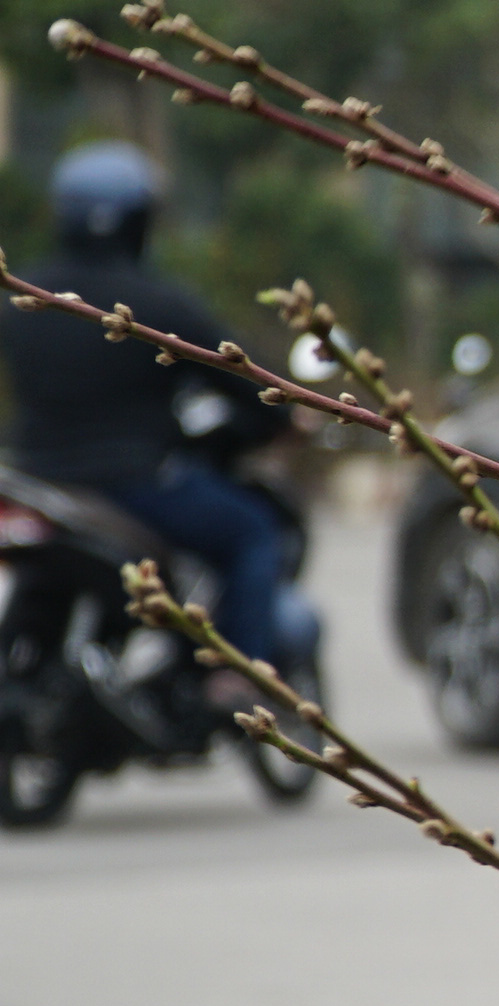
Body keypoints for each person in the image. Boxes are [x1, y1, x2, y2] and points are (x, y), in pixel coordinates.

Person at [1, 140, 297, 675]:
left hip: (34, 477)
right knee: (254, 532)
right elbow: (246, 386)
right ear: (137, 222)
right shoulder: (155, 305)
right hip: (134, 482)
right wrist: (280, 416)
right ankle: (243, 678)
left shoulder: (22, 299)